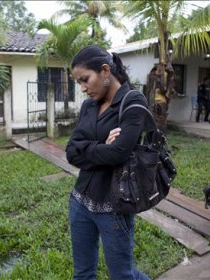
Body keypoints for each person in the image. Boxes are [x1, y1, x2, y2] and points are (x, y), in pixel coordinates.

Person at [66, 45, 150, 279]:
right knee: (82, 274)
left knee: (122, 274)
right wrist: (103, 144)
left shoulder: (133, 102)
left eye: (85, 79)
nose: (83, 88)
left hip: (114, 209)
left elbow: (119, 154)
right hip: (79, 203)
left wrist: (88, 147)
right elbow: (71, 152)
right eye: (79, 83)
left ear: (105, 71)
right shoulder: (88, 105)